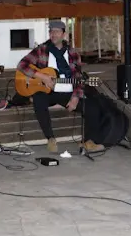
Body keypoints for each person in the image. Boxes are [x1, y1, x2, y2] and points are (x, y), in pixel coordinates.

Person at [17, 20, 104, 154]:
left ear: (64, 34)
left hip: (67, 93)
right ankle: (50, 138)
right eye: (51, 31)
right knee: (39, 99)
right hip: (48, 92)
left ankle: (88, 141)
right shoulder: (42, 50)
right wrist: (42, 76)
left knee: (93, 106)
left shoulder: (73, 53)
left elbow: (78, 78)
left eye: (57, 32)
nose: (53, 34)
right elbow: (22, 65)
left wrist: (75, 98)